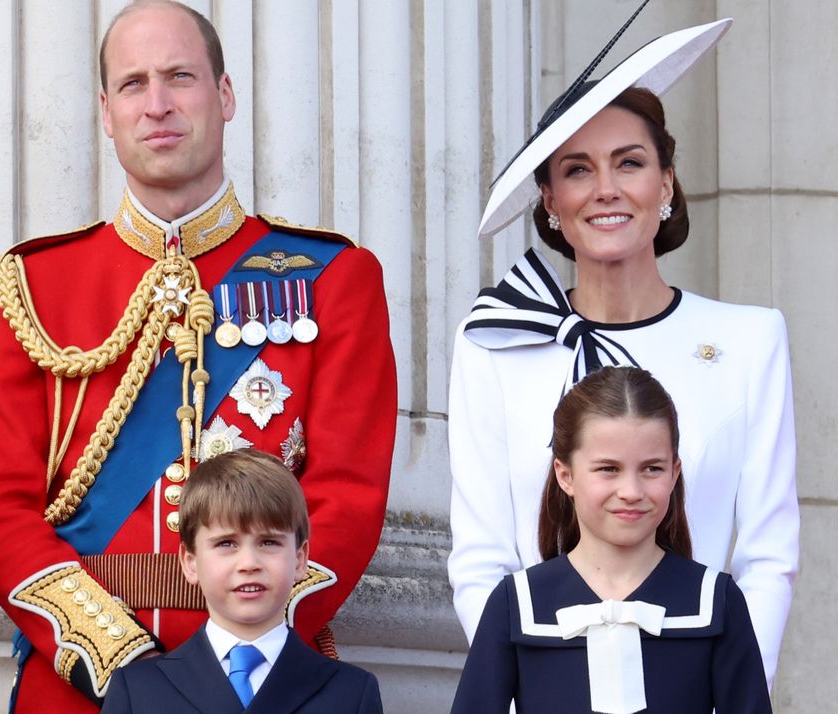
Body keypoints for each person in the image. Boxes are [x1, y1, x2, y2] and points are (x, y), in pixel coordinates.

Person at [0, 1, 396, 709]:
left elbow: (347, 498)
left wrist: (243, 650)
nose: (157, 104)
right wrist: (122, 664)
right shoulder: (30, 286)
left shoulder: (332, 279)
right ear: (106, 111)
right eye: (133, 84)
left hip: (267, 680)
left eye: (180, 77)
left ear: (224, 96)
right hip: (81, 686)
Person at [447, 16, 796, 686]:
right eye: (578, 170)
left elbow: (767, 560)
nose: (606, 188)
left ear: (666, 183)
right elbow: (481, 562)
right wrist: (530, 692)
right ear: (549, 200)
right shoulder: (495, 344)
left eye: (629, 163)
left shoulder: (751, 341)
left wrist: (728, 692)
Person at [450, 367, 770, 713]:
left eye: (652, 468)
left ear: (675, 472)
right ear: (565, 475)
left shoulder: (716, 601)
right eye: (608, 469)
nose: (631, 492)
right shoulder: (516, 603)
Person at [102, 449, 382, 713]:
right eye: (226, 544)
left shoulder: (351, 693)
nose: (249, 564)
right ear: (190, 562)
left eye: (268, 542)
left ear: (300, 559)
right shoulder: (138, 690)